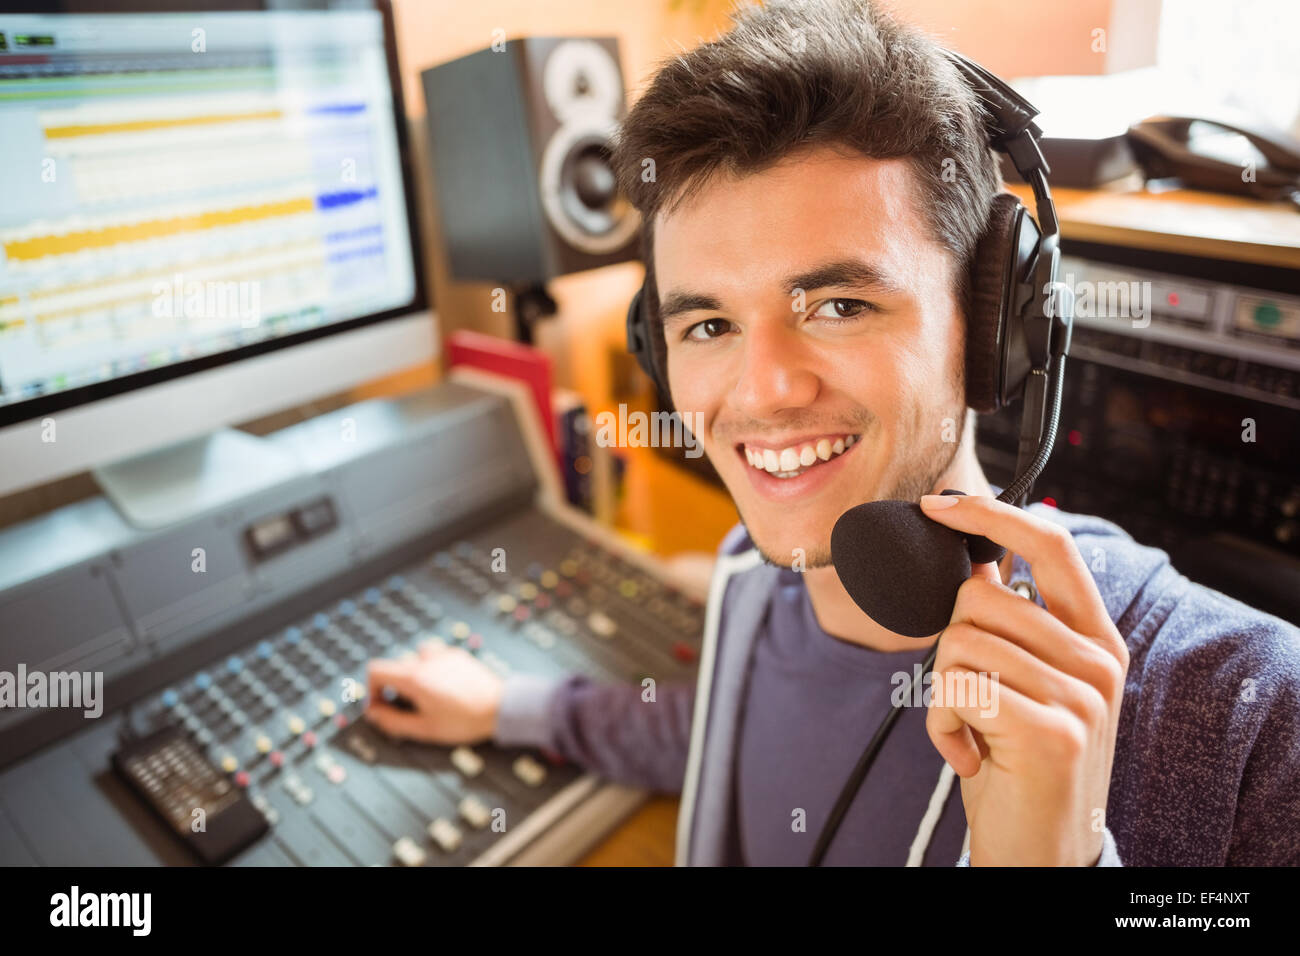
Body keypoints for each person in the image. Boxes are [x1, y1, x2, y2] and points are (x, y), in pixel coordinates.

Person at [364, 0, 1300, 865]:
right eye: (710, 325)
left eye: (840, 305)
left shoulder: (1252, 716)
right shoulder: (749, 581)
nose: (764, 390)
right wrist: (511, 708)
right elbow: (729, 729)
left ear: (995, 327)